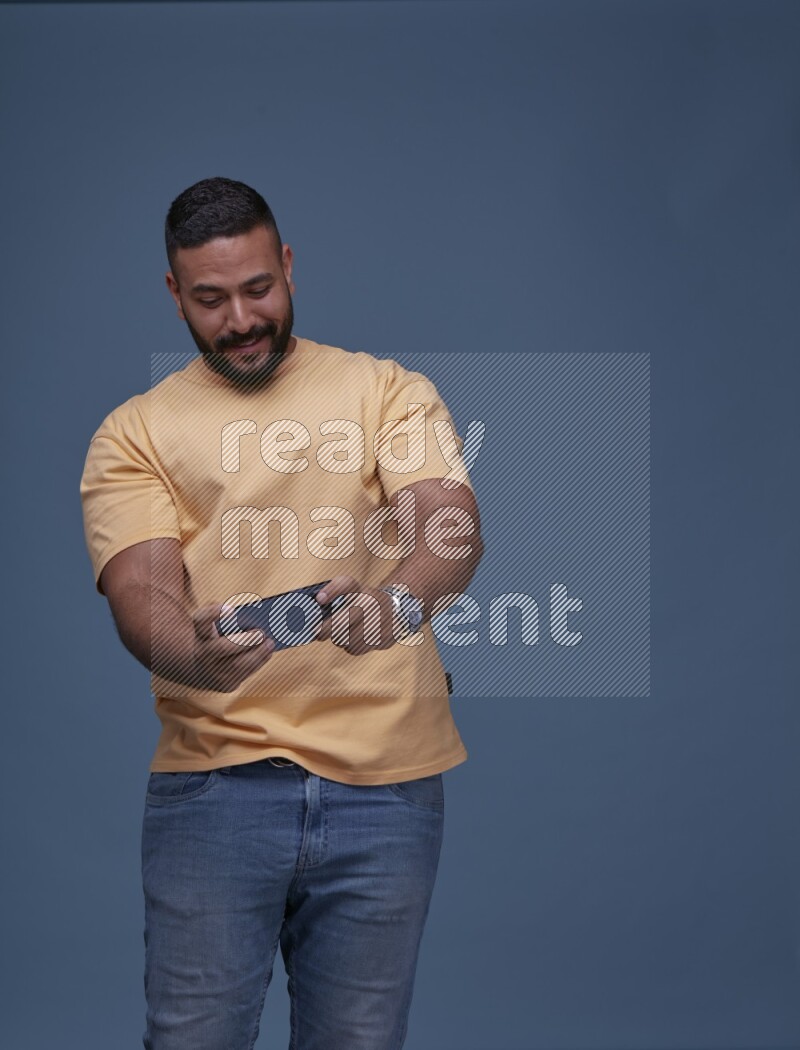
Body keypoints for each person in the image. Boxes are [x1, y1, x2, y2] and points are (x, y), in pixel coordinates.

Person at [80, 176, 484, 1050]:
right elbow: (141, 594)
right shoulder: (135, 432)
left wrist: (394, 604)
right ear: (174, 294)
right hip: (214, 788)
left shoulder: (384, 391)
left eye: (258, 288)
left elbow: (448, 527)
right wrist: (186, 654)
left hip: (387, 788)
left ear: (289, 266)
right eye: (211, 299)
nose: (240, 320)